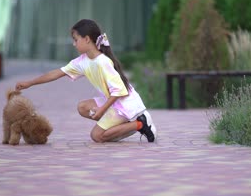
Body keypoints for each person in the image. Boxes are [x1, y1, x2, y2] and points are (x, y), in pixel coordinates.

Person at [15, 19, 157, 143]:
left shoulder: (103, 62)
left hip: (125, 106)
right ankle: (122, 125)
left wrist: (102, 110)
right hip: (114, 103)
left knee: (97, 136)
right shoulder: (83, 61)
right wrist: (30, 83)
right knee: (82, 107)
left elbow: (120, 91)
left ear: (87, 39)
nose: (74, 44)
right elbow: (56, 73)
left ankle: (140, 124)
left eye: (76, 39)